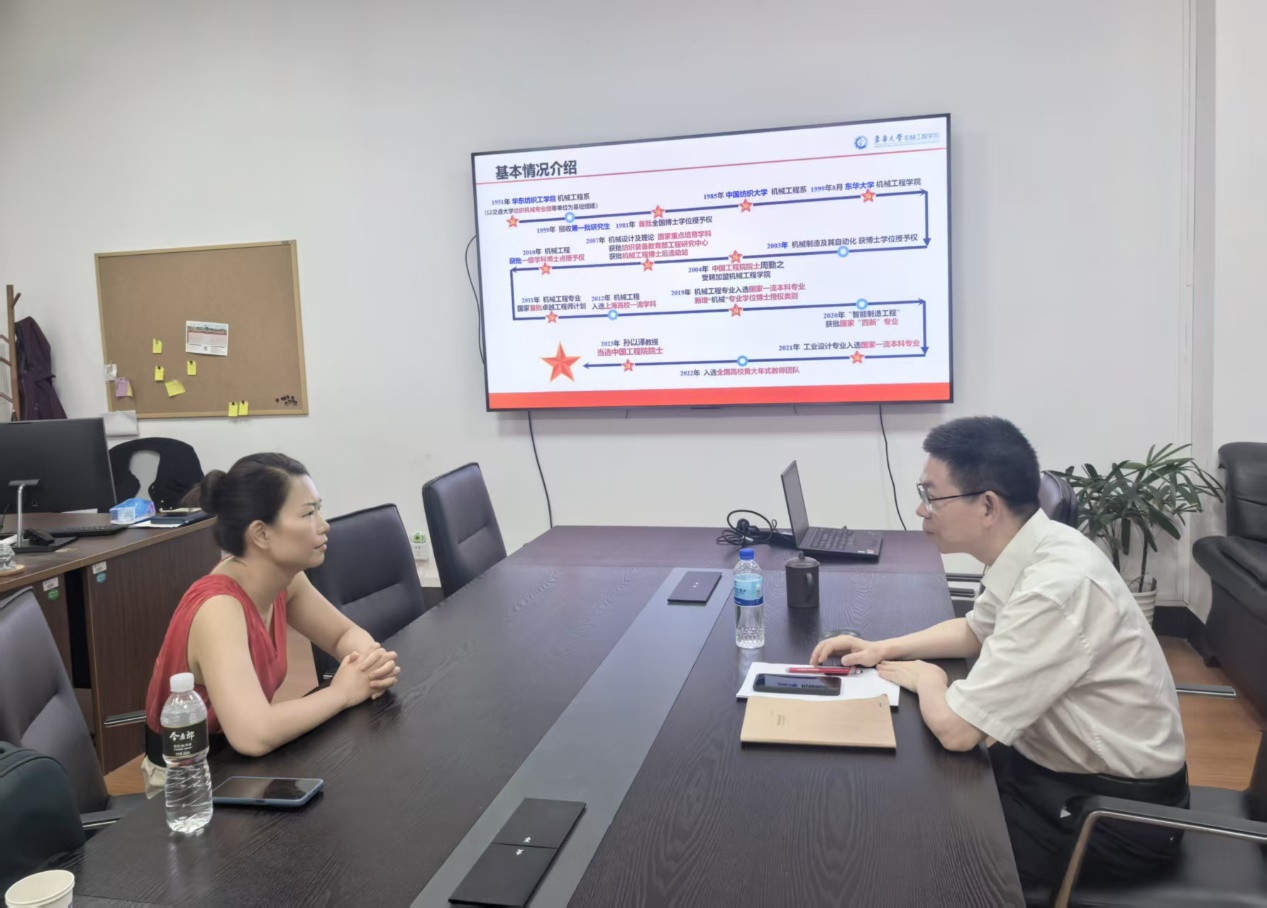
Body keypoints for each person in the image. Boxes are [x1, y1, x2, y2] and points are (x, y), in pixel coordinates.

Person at [810, 416, 1188, 888]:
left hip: (1113, 818)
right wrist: (883, 647)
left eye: (932, 496)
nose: (921, 509)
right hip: (1050, 772)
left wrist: (929, 679)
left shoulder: (1055, 587)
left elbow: (958, 731)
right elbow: (976, 629)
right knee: (907, 799)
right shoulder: (1037, 547)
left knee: (917, 859)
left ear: (987, 506)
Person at [141, 453, 400, 789]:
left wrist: (370, 665)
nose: (324, 525)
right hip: (190, 783)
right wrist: (342, 693)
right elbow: (254, 734)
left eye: (319, 510)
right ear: (261, 534)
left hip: (239, 768)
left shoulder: (285, 580)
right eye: (308, 514)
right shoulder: (220, 609)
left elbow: (342, 635)